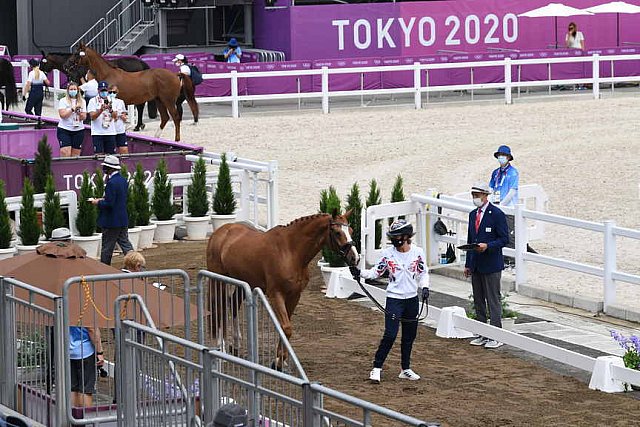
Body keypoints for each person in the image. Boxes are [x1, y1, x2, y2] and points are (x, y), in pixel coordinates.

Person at [350, 219, 430, 383]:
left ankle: (405, 368)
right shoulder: (387, 254)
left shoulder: (418, 252)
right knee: (390, 334)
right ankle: (376, 367)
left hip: (412, 300)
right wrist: (360, 273)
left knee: (409, 335)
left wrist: (425, 287)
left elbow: (423, 273)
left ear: (406, 236)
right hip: (394, 299)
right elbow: (376, 272)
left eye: (398, 236)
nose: (395, 239)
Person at [49, 227, 105, 407]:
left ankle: (74, 419)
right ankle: (85, 421)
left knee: (73, 387)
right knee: (86, 389)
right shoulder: (82, 294)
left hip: (66, 349)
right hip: (85, 350)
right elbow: (90, 327)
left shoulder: (55, 284)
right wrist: (100, 351)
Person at [463, 183, 509, 349]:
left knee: (493, 300)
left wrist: (488, 246)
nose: (475, 198)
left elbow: (504, 239)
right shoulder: (472, 214)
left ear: (485, 195)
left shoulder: (496, 214)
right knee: (479, 300)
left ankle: (496, 334)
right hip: (476, 264)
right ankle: (482, 332)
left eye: (477, 195)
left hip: (491, 264)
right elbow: (470, 240)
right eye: (473, 195)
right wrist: (468, 264)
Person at [488, 145, 536, 265]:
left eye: (503, 156)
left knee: (510, 232)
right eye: (499, 156)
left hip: (508, 207)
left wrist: (502, 205)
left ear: (508, 157)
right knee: (498, 232)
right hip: (497, 205)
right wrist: (491, 201)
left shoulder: (513, 172)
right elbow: (491, 187)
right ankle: (503, 257)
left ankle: (513, 259)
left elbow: (512, 191)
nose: (501, 158)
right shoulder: (495, 173)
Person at [91, 155, 133, 265]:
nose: (103, 169)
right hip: (122, 219)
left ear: (109, 168)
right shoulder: (123, 180)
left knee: (107, 249)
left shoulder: (111, 183)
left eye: (105, 167)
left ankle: (104, 271)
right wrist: (103, 199)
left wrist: (97, 202)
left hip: (111, 221)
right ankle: (138, 266)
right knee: (126, 245)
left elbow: (109, 204)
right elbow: (117, 199)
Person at [57, 82, 86, 157]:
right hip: (65, 129)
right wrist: (72, 109)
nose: (73, 91)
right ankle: (63, 168)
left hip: (78, 130)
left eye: (74, 89)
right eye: (71, 89)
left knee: (75, 155)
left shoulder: (82, 101)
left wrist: (79, 112)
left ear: (77, 90)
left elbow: (84, 117)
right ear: (68, 90)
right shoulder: (63, 100)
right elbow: (62, 115)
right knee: (65, 152)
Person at [87, 81, 117, 155]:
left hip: (110, 132)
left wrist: (110, 110)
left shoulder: (112, 100)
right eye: (102, 90)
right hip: (97, 133)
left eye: (105, 90)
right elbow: (92, 117)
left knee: (111, 156)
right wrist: (100, 110)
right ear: (98, 90)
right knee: (98, 155)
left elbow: (115, 116)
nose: (104, 92)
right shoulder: (93, 101)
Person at [108, 84, 129, 154]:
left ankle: (124, 165)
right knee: (111, 152)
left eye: (114, 92)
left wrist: (123, 117)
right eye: (110, 92)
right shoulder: (106, 102)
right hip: (110, 130)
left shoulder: (121, 102)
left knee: (124, 150)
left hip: (120, 130)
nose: (112, 94)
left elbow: (125, 115)